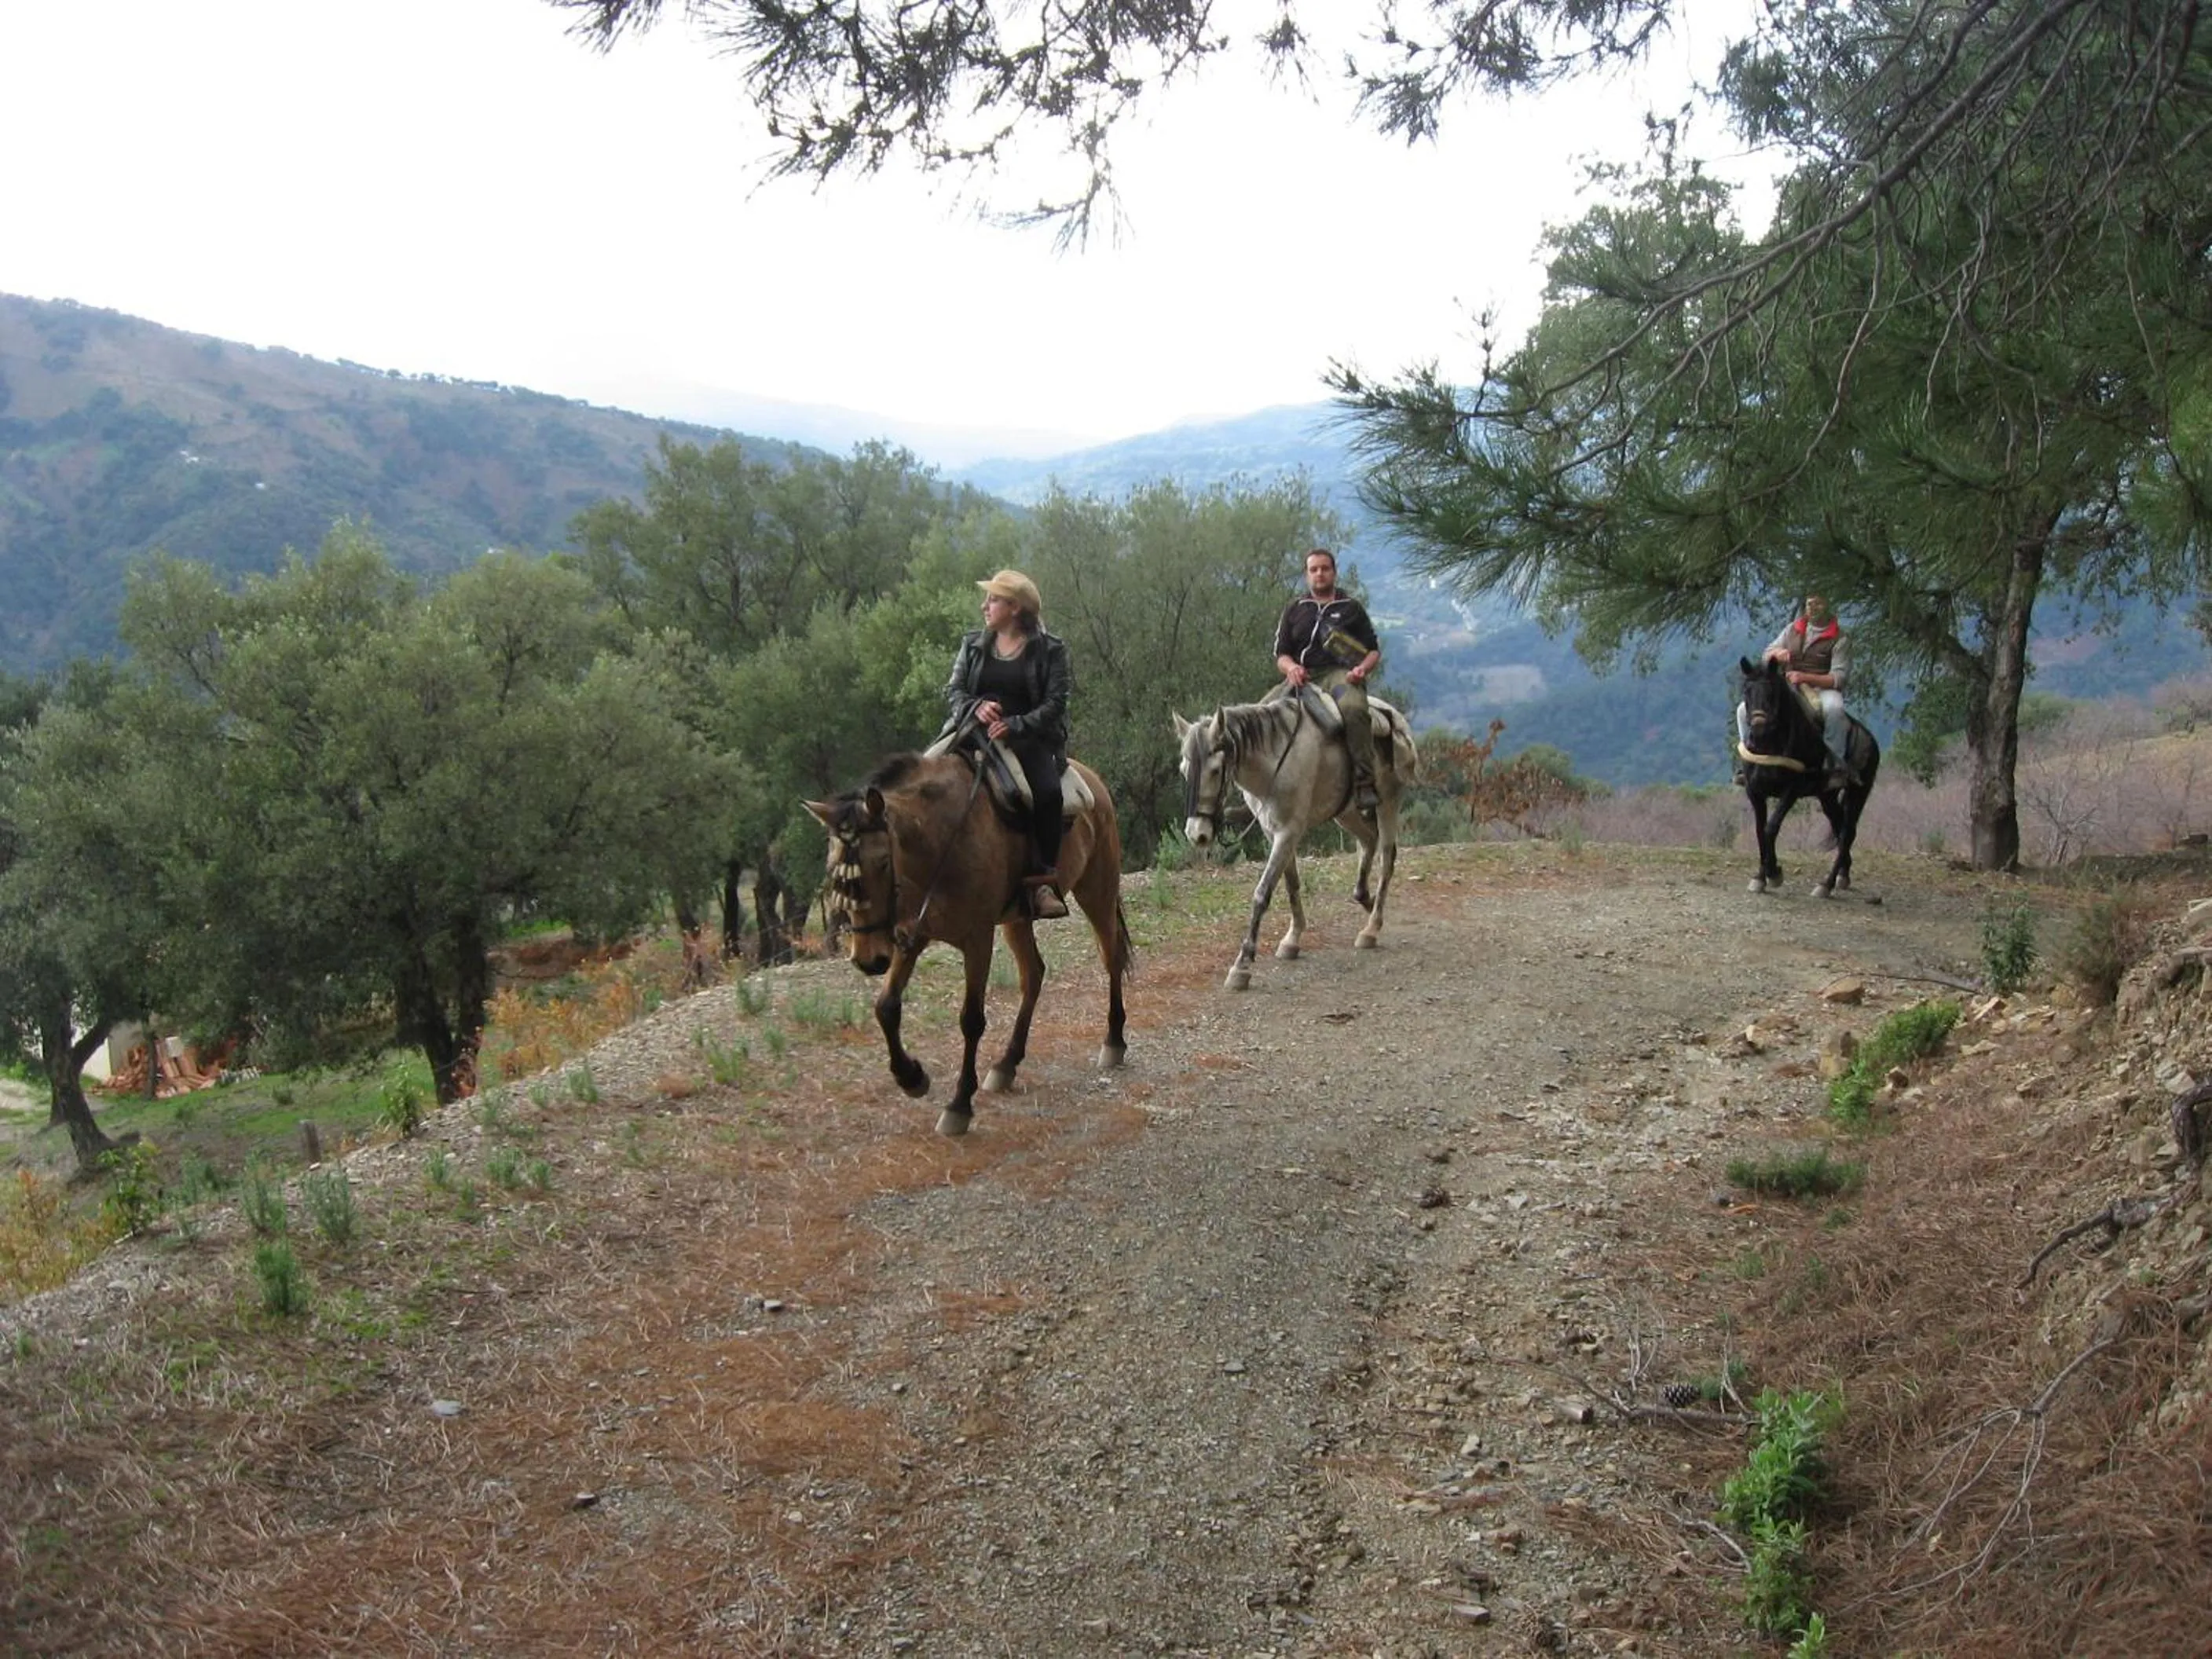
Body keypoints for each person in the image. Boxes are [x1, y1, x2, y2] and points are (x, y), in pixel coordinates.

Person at [940, 569, 1075, 919]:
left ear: (1015, 607)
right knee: (922, 777)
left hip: (1029, 740)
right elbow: (953, 692)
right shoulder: (972, 644)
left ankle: (1043, 880)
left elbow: (1055, 703)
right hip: (970, 733)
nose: (985, 606)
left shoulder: (1051, 650)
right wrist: (975, 706)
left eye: (994, 599)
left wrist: (1016, 725)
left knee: (1047, 793)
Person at [1273, 548, 1383, 812]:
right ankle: (1258, 793)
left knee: (1355, 710)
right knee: (1259, 716)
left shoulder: (1351, 608)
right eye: (1314, 569)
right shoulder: (1295, 609)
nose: (1319, 574)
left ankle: (1364, 782)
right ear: (1306, 575)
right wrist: (1291, 669)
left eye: (1325, 568)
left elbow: (1373, 650)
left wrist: (1361, 671)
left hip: (1338, 674)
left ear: (1334, 572)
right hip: (1302, 675)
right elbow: (1281, 653)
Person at [1737, 592, 1853, 789]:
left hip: (1822, 689)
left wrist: (1805, 677)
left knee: (1835, 710)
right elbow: (1767, 654)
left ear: (1828, 605)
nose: (1812, 608)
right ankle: (1749, 761)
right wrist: (1777, 654)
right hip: (1790, 686)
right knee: (1742, 710)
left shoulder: (1840, 639)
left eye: (1818, 603)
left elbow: (1838, 678)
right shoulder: (1793, 629)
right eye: (1809, 604)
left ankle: (1835, 766)